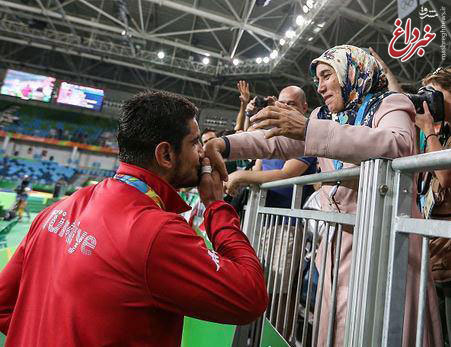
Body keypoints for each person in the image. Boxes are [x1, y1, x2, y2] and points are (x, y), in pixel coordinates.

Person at [205, 45, 442, 346]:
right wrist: (224, 146)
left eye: (327, 75)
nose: (320, 86)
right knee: (338, 328)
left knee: (383, 328)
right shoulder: (325, 116)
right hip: (339, 244)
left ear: (351, 71)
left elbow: (394, 144)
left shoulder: (390, 104)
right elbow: (273, 143)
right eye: (317, 79)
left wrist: (307, 129)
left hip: (385, 243)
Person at [0, 91, 268, 346]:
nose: (202, 153)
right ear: (165, 154)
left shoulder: (59, 208)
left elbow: (3, 305)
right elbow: (250, 297)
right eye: (195, 142)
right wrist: (216, 206)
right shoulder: (157, 232)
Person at [415, 66, 451, 345]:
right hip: (437, 250)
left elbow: (444, 175)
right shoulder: (446, 132)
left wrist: (428, 131)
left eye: (436, 95)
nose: (430, 102)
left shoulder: (439, 135)